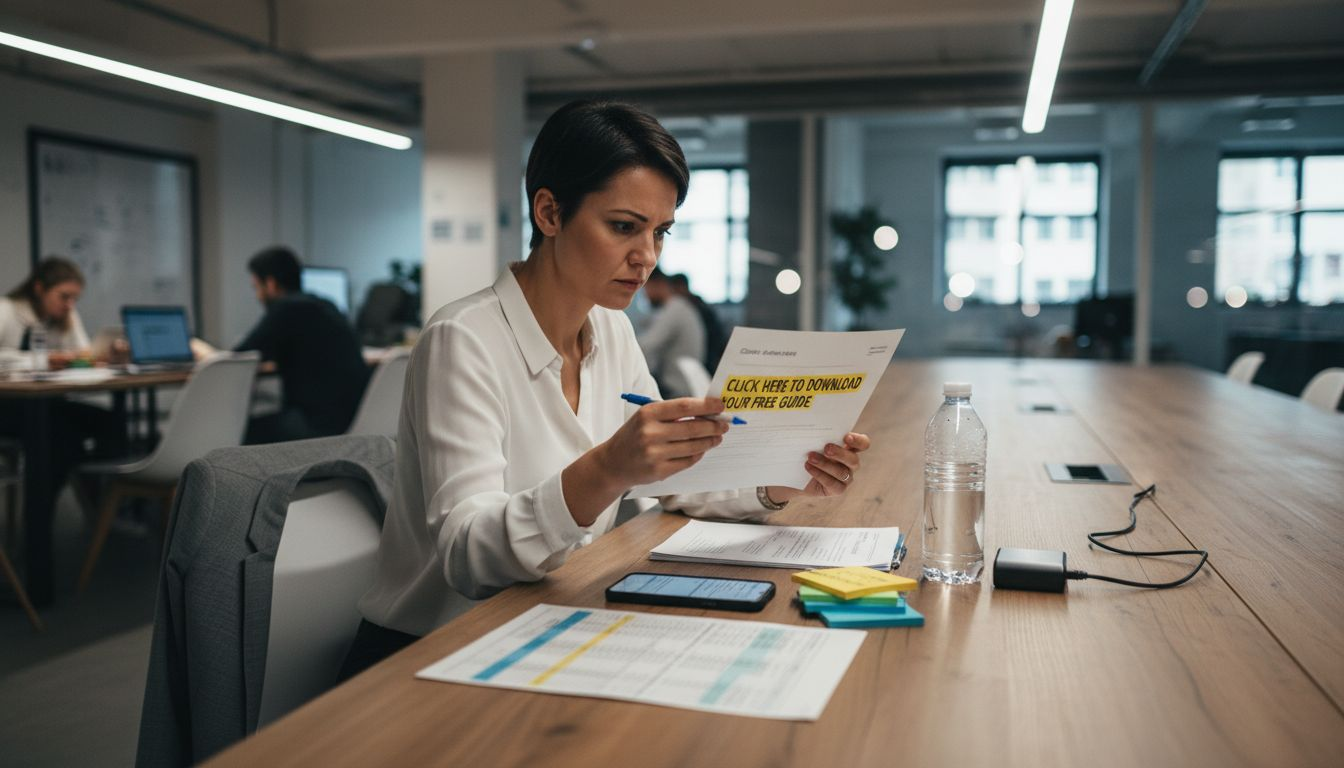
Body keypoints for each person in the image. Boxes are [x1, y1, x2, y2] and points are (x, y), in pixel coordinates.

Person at [345, 100, 871, 676]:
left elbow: (674, 478)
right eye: (624, 227)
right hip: (431, 652)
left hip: (549, 622)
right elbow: (469, 556)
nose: (647, 258)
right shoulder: (462, 339)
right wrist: (607, 470)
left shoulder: (610, 328)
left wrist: (778, 477)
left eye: (660, 232)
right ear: (550, 212)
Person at [235, 246, 370, 444]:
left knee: (237, 431)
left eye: (256, 287)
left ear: (270, 283)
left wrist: (204, 352)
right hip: (353, 420)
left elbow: (240, 356)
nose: (258, 296)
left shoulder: (286, 308)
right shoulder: (326, 304)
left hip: (318, 425)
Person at [0, 256, 91, 364]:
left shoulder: (67, 313)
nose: (70, 305)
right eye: (64, 296)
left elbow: (83, 353)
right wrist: (45, 359)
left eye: (75, 299)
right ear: (40, 289)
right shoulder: (5, 309)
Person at [637, 267, 705, 396]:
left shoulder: (674, 310)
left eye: (645, 288)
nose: (645, 295)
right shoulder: (679, 307)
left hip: (677, 389)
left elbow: (647, 345)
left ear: (658, 284)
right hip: (682, 385)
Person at [669, 272, 729, 371]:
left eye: (674, 289)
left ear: (681, 286)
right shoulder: (697, 303)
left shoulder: (691, 307)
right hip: (709, 355)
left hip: (708, 356)